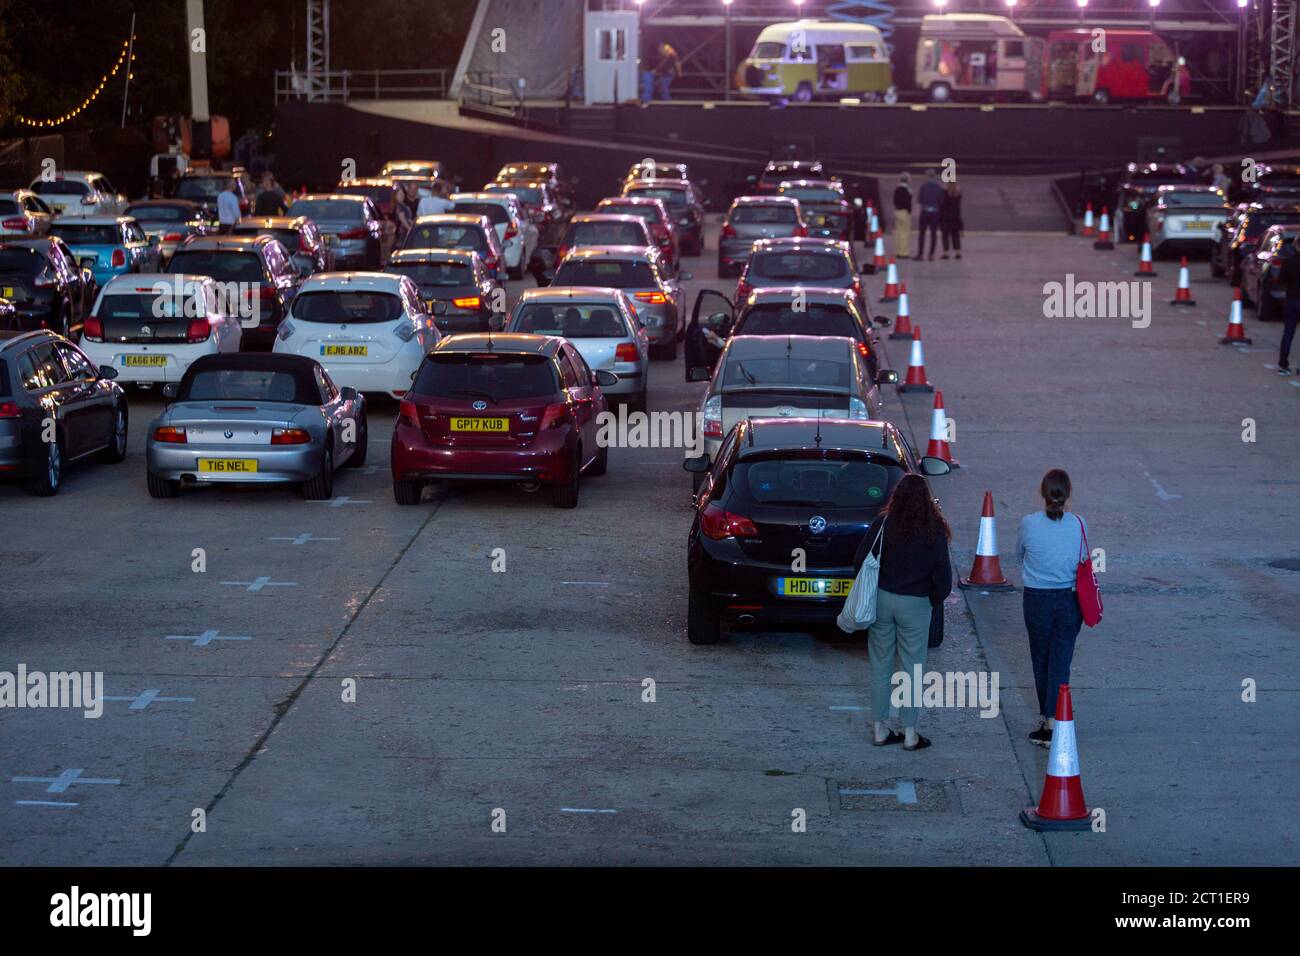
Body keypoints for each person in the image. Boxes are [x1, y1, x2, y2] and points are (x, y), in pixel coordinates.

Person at [851, 475, 953, 751]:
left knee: (880, 666)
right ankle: (909, 733)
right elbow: (944, 578)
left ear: (897, 496)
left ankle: (880, 729)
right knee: (912, 670)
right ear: (926, 499)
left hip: (883, 600)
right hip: (916, 604)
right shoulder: (934, 530)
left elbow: (860, 560)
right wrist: (930, 600)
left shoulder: (884, 523)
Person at [1016, 469, 1088, 747]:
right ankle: (1054, 718)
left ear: (1042, 494)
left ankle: (1049, 721)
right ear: (1069, 494)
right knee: (1061, 660)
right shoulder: (1080, 523)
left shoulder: (1028, 523)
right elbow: (1082, 558)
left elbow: (1019, 554)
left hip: (1037, 599)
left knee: (1041, 658)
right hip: (1070, 600)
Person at [1275, 235, 1300, 374]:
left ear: (1296, 245)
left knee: (1288, 333)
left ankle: (1283, 364)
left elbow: (1281, 281)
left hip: (1292, 300)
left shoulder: (1288, 262)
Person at [916, 168, 944, 261]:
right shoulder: (939, 187)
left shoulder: (923, 186)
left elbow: (920, 200)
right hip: (935, 212)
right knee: (933, 234)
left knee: (922, 233)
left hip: (925, 211)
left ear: (927, 176)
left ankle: (920, 254)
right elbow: (941, 200)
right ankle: (931, 254)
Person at [939, 181, 962, 260]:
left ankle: (946, 253)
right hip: (955, 217)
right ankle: (958, 252)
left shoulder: (944, 194)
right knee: (955, 235)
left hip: (946, 218)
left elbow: (941, 205)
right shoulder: (958, 195)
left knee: (945, 235)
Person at [892, 173, 913, 260]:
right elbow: (908, 202)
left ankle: (897, 251)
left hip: (897, 211)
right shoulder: (907, 190)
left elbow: (894, 200)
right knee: (905, 232)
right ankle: (903, 252)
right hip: (904, 212)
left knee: (898, 232)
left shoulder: (897, 189)